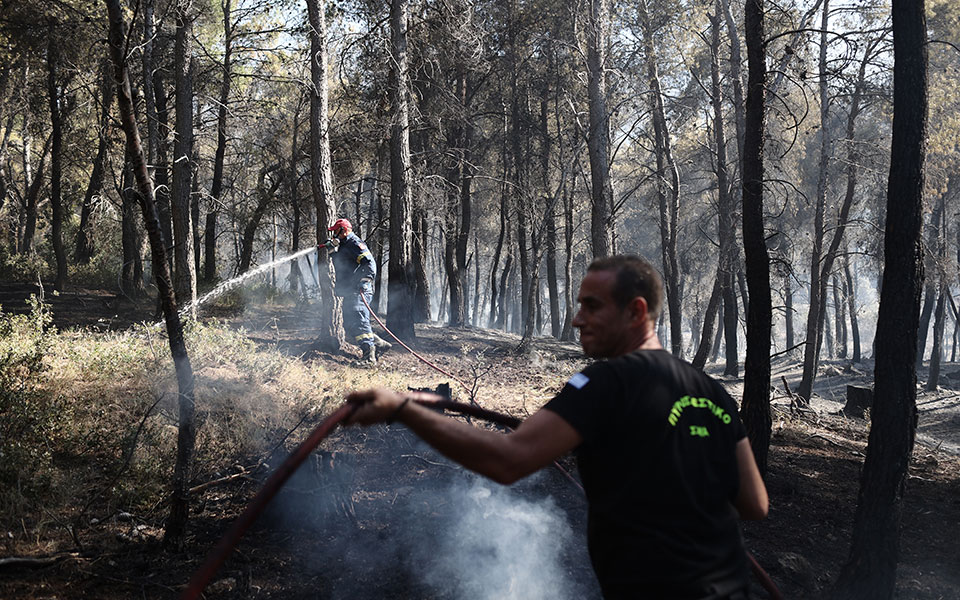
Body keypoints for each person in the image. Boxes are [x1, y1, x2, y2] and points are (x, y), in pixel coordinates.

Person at [346, 254, 768, 599]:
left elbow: (508, 460)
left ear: (636, 310)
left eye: (592, 305)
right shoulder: (712, 392)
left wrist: (402, 409)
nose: (576, 319)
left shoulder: (606, 383)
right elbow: (754, 504)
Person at [321, 218, 390, 365]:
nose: (334, 235)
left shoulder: (354, 244)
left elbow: (370, 263)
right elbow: (342, 263)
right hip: (351, 291)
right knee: (350, 323)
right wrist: (332, 250)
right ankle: (378, 344)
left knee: (359, 321)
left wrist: (363, 281)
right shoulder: (346, 245)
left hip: (359, 291)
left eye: (336, 232)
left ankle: (369, 358)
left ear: (344, 230)